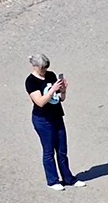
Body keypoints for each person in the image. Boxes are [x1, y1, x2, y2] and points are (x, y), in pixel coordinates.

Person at [25, 54, 84, 191]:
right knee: (49, 151)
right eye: (42, 68)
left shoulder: (51, 75)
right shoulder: (31, 81)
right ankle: (52, 181)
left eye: (46, 67)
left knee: (62, 150)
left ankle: (68, 178)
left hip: (57, 116)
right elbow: (40, 102)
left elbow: (60, 99)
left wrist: (63, 91)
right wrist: (52, 90)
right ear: (35, 66)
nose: (45, 70)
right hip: (42, 119)